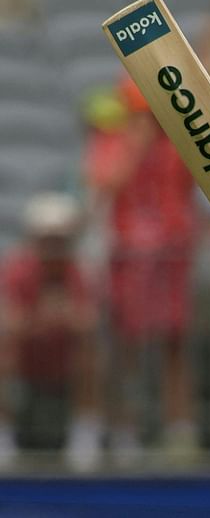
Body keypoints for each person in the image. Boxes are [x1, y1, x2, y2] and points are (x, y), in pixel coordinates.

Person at [84, 75, 199, 465]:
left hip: (170, 257)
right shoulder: (112, 142)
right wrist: (134, 145)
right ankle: (125, 429)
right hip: (127, 260)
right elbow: (106, 181)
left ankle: (179, 429)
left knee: (174, 344)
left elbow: (188, 189)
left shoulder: (174, 148)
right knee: (125, 348)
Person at [0, 193, 102, 472]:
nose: (53, 248)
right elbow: (11, 322)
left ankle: (85, 434)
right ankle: (4, 435)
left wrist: (60, 318)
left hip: (64, 355)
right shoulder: (17, 269)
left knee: (90, 357)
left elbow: (88, 322)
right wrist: (44, 319)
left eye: (59, 240)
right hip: (27, 354)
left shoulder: (79, 270)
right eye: (48, 240)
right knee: (4, 354)